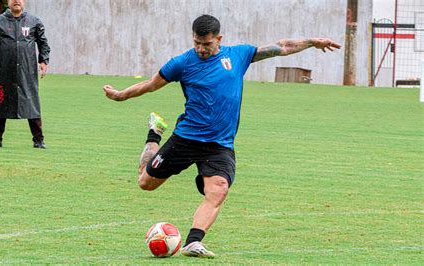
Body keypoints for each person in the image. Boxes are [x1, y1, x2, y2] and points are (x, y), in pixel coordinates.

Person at [103, 14, 341, 258]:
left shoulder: (238, 55)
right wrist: (121, 95)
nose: (201, 49)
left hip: (219, 144)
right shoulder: (182, 63)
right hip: (186, 137)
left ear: (219, 39)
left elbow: (281, 47)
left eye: (206, 44)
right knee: (146, 183)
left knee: (219, 189)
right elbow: (152, 84)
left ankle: (193, 242)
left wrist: (312, 41)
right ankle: (154, 134)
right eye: (197, 43)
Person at [0, 0, 50, 148]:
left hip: (28, 72)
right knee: (1, 102)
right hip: (5, 72)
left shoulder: (34, 21)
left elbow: (43, 42)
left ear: (24, 1)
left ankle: (39, 140)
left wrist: (44, 61)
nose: (17, 1)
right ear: (8, 1)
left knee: (32, 102)